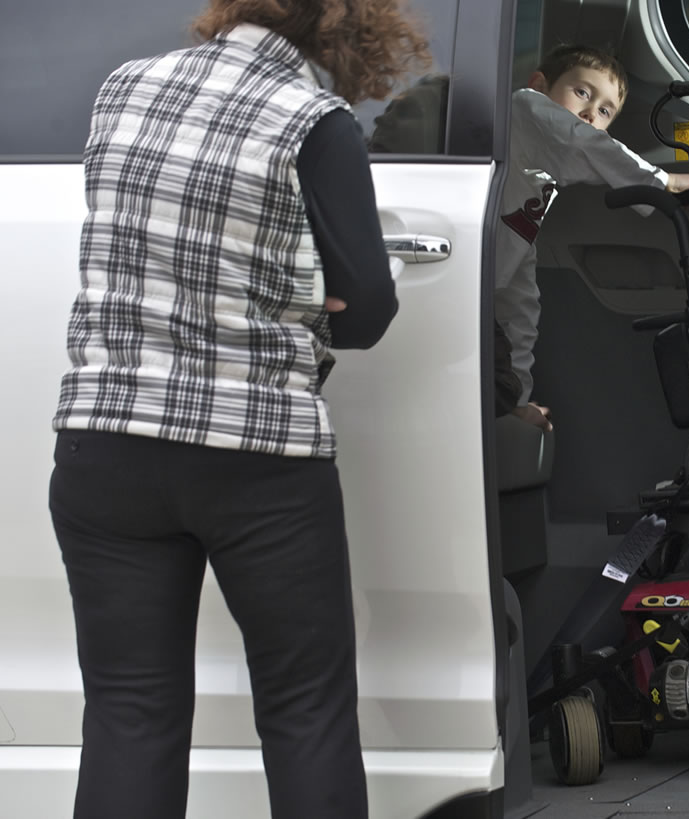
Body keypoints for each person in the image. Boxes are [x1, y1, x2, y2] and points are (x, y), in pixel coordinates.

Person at [47, 2, 429, 816]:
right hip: (255, 457)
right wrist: (311, 298)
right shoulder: (315, 121)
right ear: (350, 28)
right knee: (304, 713)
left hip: (102, 446)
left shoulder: (123, 87)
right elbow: (365, 311)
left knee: (127, 714)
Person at [494, 45, 689, 415]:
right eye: (582, 93)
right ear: (540, 85)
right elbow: (577, 139)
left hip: (477, 315)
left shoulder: (533, 195)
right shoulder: (523, 107)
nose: (589, 114)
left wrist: (517, 400)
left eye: (605, 111)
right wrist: (661, 182)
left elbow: (518, 309)